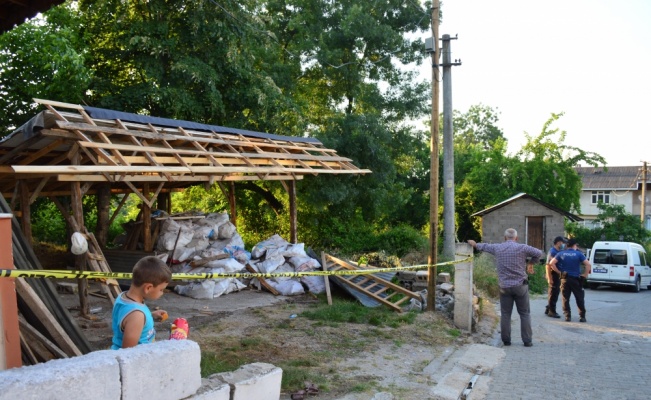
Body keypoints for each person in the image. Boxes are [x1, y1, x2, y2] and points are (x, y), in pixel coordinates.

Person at [468, 228, 543, 347]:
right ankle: (527, 341)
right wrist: (531, 263)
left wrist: (475, 244)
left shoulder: (498, 248)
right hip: (520, 286)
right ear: (516, 238)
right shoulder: (522, 248)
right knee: (524, 314)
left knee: (506, 314)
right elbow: (539, 253)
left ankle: (506, 340)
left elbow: (484, 246)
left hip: (504, 287)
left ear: (504, 238)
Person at [111, 256, 172, 349]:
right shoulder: (137, 316)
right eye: (161, 289)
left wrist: (150, 315)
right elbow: (127, 352)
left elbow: (127, 318)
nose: (162, 293)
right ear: (148, 288)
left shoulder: (123, 297)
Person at [549, 238, 591, 322]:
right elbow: (588, 264)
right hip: (576, 279)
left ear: (567, 245)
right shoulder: (579, 254)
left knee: (565, 298)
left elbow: (551, 263)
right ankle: (582, 316)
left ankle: (567, 316)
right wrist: (584, 275)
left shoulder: (561, 253)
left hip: (565, 278)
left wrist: (559, 272)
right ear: (574, 245)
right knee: (579, 297)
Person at [544, 236, 567, 318]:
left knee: (555, 292)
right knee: (553, 292)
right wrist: (549, 278)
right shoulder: (552, 251)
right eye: (562, 242)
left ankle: (548, 308)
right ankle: (552, 311)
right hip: (553, 274)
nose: (563, 244)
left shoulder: (559, 251)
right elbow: (548, 265)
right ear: (558, 243)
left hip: (558, 274)